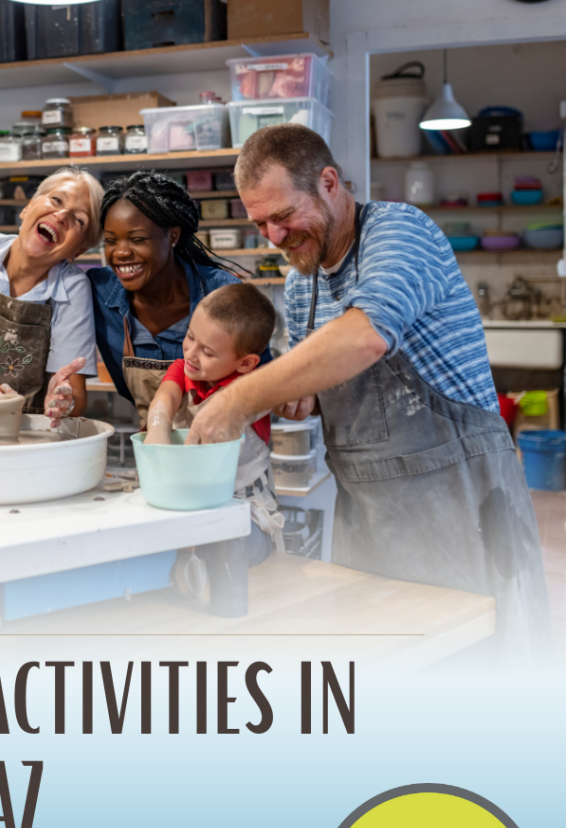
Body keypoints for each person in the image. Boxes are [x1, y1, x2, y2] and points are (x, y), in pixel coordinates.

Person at [185, 123, 551, 654]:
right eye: (261, 223)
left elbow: (365, 338)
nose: (275, 238)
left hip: (463, 501)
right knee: (389, 672)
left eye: (284, 216)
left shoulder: (400, 231)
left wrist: (239, 399)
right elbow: (328, 376)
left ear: (329, 182)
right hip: (368, 513)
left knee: (477, 671)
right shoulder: (300, 281)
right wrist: (302, 397)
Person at [0, 165, 104, 426]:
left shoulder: (73, 287)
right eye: (56, 200)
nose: (61, 215)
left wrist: (63, 403)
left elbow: (74, 396)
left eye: (79, 220)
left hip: (22, 432)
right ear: (27, 208)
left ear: (79, 250)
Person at [89, 171, 245, 424]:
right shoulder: (97, 293)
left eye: (137, 239)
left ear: (172, 236)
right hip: (153, 444)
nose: (121, 252)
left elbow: (260, 379)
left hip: (226, 445)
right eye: (110, 241)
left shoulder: (224, 295)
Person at [146, 284, 283, 566]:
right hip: (188, 499)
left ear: (245, 363)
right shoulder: (184, 369)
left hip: (242, 508)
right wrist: (157, 431)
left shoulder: (253, 388)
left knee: (227, 548)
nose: (191, 354)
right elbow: (164, 400)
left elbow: (278, 392)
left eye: (207, 351)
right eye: (190, 337)